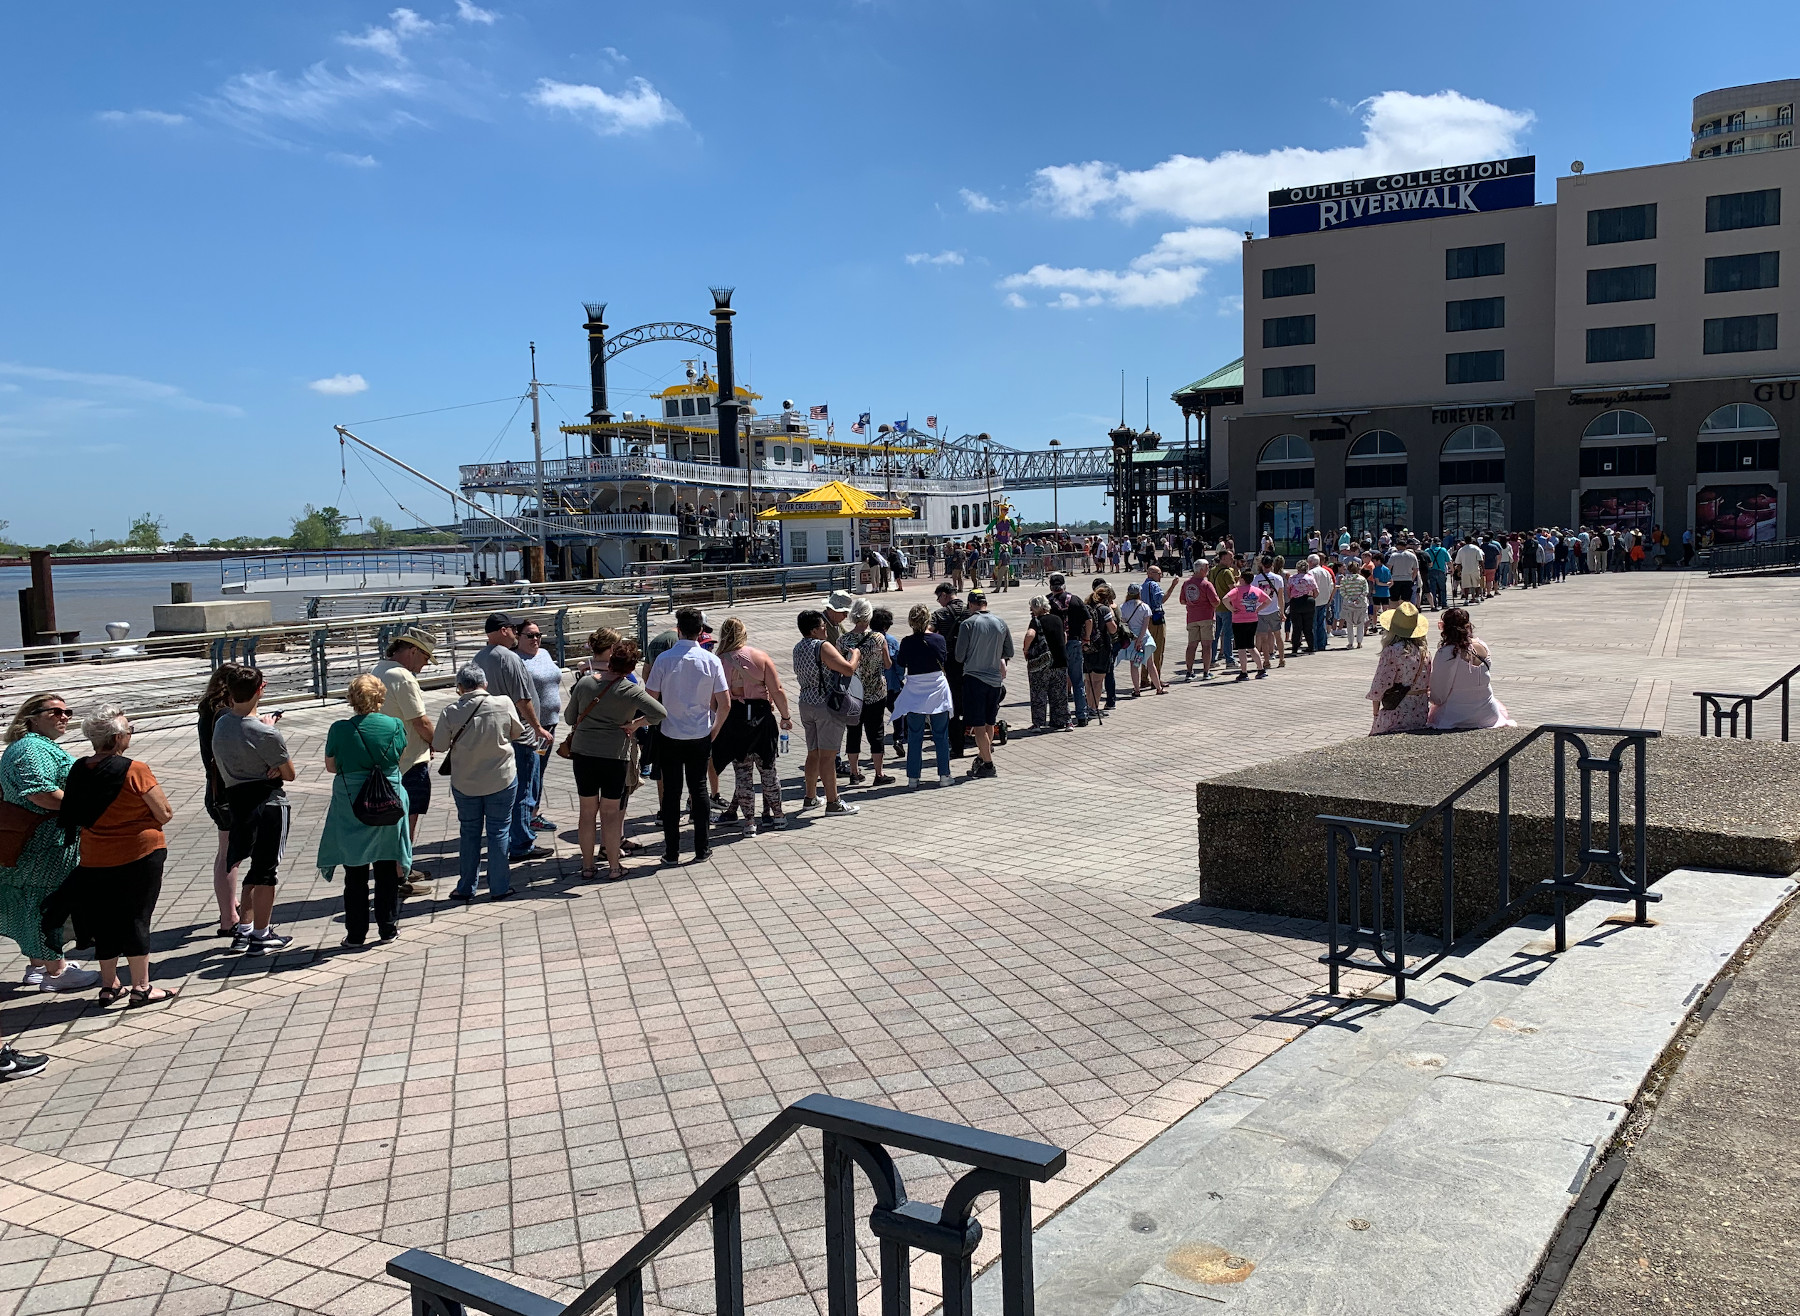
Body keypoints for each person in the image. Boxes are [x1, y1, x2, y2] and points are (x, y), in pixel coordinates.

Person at [59, 707, 173, 1006]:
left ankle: (109, 986)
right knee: (136, 917)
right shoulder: (135, 769)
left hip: (94, 856)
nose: (130, 734)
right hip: (140, 853)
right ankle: (142, 987)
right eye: (129, 730)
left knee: (103, 920)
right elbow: (164, 813)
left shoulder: (79, 769)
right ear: (117, 737)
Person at [1, 693, 97, 993]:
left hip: (33, 840)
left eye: (67, 712)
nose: (64, 717)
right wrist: (85, 808)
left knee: (31, 902)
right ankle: (56, 972)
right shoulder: (32, 748)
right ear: (31, 717)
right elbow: (41, 793)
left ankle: (39, 966)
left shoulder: (29, 746)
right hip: (45, 841)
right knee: (49, 903)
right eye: (55, 712)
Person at [318, 674, 413, 947]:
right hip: (387, 799)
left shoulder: (339, 729)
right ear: (380, 697)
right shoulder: (394, 725)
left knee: (354, 871)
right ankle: (387, 928)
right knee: (386, 867)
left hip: (351, 802)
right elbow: (398, 757)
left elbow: (331, 767)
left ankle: (356, 934)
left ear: (352, 698)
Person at [211, 668, 297, 953]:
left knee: (253, 867)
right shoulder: (266, 732)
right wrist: (270, 733)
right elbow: (289, 773)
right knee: (267, 871)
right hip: (268, 803)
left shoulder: (222, 723)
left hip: (239, 802)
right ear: (261, 689)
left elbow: (242, 729)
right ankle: (262, 933)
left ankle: (245, 929)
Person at [566, 639, 666, 879]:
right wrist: (636, 724)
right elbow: (660, 713)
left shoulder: (586, 683)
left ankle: (587, 867)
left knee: (587, 812)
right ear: (631, 667)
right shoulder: (630, 690)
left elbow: (569, 717)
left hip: (583, 753)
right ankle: (614, 867)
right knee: (610, 814)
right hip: (614, 755)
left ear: (610, 661)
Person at [436, 663, 530, 901]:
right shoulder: (503, 703)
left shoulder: (450, 711)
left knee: (469, 832)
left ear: (459, 687)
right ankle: (499, 887)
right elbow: (517, 732)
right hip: (501, 777)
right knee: (499, 831)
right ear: (485, 683)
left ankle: (466, 887)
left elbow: (439, 745)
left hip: (465, 781)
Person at [647, 606, 732, 863]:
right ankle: (702, 848)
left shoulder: (663, 660)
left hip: (670, 733)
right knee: (699, 788)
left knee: (671, 792)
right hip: (700, 733)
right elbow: (725, 703)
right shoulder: (711, 660)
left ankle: (671, 852)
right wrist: (715, 730)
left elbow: (649, 699)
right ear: (700, 631)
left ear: (679, 630)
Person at [472, 613, 551, 864]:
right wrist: (538, 728)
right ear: (504, 630)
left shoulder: (479, 657)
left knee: (507, 789)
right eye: (514, 630)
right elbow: (522, 698)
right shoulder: (508, 657)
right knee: (525, 789)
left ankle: (509, 838)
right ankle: (522, 843)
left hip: (496, 734)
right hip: (522, 735)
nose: (516, 634)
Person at [370, 629, 438, 895]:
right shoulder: (403, 676)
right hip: (410, 760)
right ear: (412, 651)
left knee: (394, 820)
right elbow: (420, 721)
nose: (425, 665)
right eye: (425, 658)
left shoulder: (378, 670)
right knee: (407, 819)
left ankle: (401, 867)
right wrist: (437, 742)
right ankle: (401, 875)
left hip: (387, 759)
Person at [711, 618, 790, 836]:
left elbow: (713, 700)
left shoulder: (718, 661)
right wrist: (786, 717)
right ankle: (778, 815)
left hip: (734, 719)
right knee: (768, 770)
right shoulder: (760, 656)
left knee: (742, 773)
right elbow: (777, 690)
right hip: (761, 717)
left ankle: (749, 823)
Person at [197, 665, 249, 937]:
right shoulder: (225, 715)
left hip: (216, 789)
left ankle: (229, 905)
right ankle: (228, 918)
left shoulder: (207, 710)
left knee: (225, 851)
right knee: (231, 855)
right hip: (229, 791)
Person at [793, 610, 861, 816]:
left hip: (806, 702)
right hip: (826, 704)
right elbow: (847, 669)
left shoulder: (798, 647)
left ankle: (810, 797)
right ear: (814, 630)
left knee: (813, 752)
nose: (825, 630)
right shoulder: (822, 646)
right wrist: (855, 656)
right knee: (828, 756)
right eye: (822, 627)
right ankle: (833, 802)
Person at [953, 589, 1012, 779]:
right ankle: (982, 756)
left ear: (971, 604)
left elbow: (959, 656)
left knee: (978, 725)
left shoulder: (968, 624)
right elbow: (1009, 651)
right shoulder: (1000, 622)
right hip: (995, 680)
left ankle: (988, 764)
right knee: (989, 723)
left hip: (974, 678)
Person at [893, 604, 954, 787]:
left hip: (915, 690)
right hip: (937, 688)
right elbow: (944, 659)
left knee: (914, 735)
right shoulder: (939, 639)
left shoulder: (906, 642)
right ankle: (944, 775)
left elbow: (901, 662)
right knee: (941, 734)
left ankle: (913, 777)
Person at [1428, 608, 1516, 731]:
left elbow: (1438, 696)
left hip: (1454, 715)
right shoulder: (1482, 646)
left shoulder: (1447, 652)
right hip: (1488, 714)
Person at [515, 620, 564, 835]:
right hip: (531, 728)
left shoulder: (544, 653)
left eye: (538, 635)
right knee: (529, 773)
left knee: (539, 770)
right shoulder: (516, 660)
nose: (535, 639)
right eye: (530, 635)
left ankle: (533, 814)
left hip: (549, 725)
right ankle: (525, 818)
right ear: (518, 637)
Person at [841, 599, 894, 786]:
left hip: (853, 693)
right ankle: (879, 773)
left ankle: (854, 773)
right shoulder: (878, 638)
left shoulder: (843, 640)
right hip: (876, 692)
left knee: (853, 731)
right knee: (876, 732)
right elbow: (887, 664)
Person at [1367, 603, 1431, 735]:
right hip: (1420, 711)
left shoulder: (1392, 651)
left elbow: (1379, 685)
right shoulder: (1425, 652)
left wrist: (1375, 714)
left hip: (1396, 711)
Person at [1045, 573, 1092, 725]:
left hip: (1055, 646)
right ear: (1064, 585)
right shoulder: (1075, 600)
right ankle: (1082, 716)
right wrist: (1087, 638)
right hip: (1074, 642)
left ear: (1051, 587)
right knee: (1077, 681)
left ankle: (1059, 717)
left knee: (1057, 683)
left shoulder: (1048, 602)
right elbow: (1089, 620)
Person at [930, 583, 971, 756]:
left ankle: (957, 746)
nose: (938, 601)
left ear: (945, 595)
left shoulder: (940, 614)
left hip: (950, 663)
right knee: (972, 701)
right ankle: (979, 738)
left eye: (938, 597)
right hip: (970, 662)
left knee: (953, 704)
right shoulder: (970, 611)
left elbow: (928, 632)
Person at [1024, 596, 1070, 730]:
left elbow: (1030, 634)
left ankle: (1038, 723)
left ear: (1036, 608)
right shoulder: (1057, 619)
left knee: (1039, 693)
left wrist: (1025, 649)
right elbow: (1064, 636)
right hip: (1060, 660)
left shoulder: (1036, 621)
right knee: (1060, 693)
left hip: (1041, 664)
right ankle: (1062, 721)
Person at [1118, 583, 1166, 695]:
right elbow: (1145, 626)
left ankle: (1136, 690)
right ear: (1139, 593)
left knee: (1134, 664)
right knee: (1150, 664)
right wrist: (1140, 639)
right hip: (1144, 638)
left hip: (1132, 638)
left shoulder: (1123, 607)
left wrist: (1135, 640)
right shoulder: (1144, 607)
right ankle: (1158, 688)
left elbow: (1124, 624)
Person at [1175, 560, 1219, 680]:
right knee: (1206, 645)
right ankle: (1206, 672)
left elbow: (1182, 601)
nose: (1208, 569)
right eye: (1207, 567)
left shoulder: (1186, 583)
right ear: (1202, 569)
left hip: (1192, 617)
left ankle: (1189, 672)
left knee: (1191, 645)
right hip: (1206, 617)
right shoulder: (1206, 584)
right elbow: (1215, 602)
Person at [1222, 574, 1269, 680]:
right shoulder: (1256, 590)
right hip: (1252, 619)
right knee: (1251, 646)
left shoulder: (1237, 590)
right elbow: (1268, 600)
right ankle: (1261, 669)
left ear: (1242, 579)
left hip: (1239, 620)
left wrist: (1231, 609)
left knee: (1241, 648)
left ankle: (1244, 672)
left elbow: (1225, 599)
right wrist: (1258, 609)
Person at [1083, 584, 1119, 715]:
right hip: (1101, 648)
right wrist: (1112, 613)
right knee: (1098, 681)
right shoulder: (1104, 609)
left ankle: (1088, 706)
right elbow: (1113, 629)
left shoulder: (1086, 607)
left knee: (1088, 680)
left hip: (1087, 647)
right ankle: (1094, 707)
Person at [1251, 556, 1287, 673]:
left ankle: (1266, 661)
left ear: (1262, 565)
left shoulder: (1256, 579)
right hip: (1274, 610)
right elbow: (1281, 597)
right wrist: (1282, 612)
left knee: (1263, 638)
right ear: (1272, 565)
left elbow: (1254, 597)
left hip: (1261, 611)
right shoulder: (1278, 578)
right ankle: (1282, 659)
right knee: (1278, 636)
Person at [1208, 551, 1240, 672]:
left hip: (1216, 607)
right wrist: (1238, 582)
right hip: (1227, 607)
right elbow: (1233, 589)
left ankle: (1212, 659)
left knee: (1215, 634)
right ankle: (1229, 660)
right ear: (1223, 558)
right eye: (1230, 558)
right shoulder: (1227, 572)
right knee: (1228, 635)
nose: (1232, 560)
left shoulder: (1212, 571)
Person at [1141, 566, 1169, 685]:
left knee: (1146, 649)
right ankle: (1156, 679)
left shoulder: (1142, 586)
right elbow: (1161, 599)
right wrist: (1173, 586)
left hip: (1145, 620)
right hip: (1156, 620)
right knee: (1158, 649)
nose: (1160, 575)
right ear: (1151, 574)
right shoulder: (1154, 585)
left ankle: (1144, 678)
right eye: (1159, 573)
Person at [1339, 566, 1372, 649]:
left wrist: (1350, 599)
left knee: (1349, 624)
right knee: (1361, 623)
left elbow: (1342, 591)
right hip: (1361, 603)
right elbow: (1365, 591)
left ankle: (1350, 643)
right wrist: (1358, 599)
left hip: (1348, 604)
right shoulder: (1362, 579)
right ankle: (1359, 642)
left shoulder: (1344, 579)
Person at [1455, 537, 1485, 605]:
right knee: (1476, 584)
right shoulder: (1476, 548)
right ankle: (1477, 597)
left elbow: (1458, 562)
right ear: (1471, 541)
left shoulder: (1461, 550)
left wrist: (1459, 571)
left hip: (1465, 569)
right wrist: (1483, 569)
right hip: (1475, 569)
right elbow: (1480, 560)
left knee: (1466, 585)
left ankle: (1466, 599)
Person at [1388, 540, 1419, 604]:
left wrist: (1389, 579)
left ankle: (1395, 610)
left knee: (1394, 600)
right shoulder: (1412, 556)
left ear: (1398, 546)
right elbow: (1416, 569)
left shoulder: (1394, 555)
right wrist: (1412, 579)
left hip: (1395, 579)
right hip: (1408, 579)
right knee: (1406, 600)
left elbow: (1389, 568)